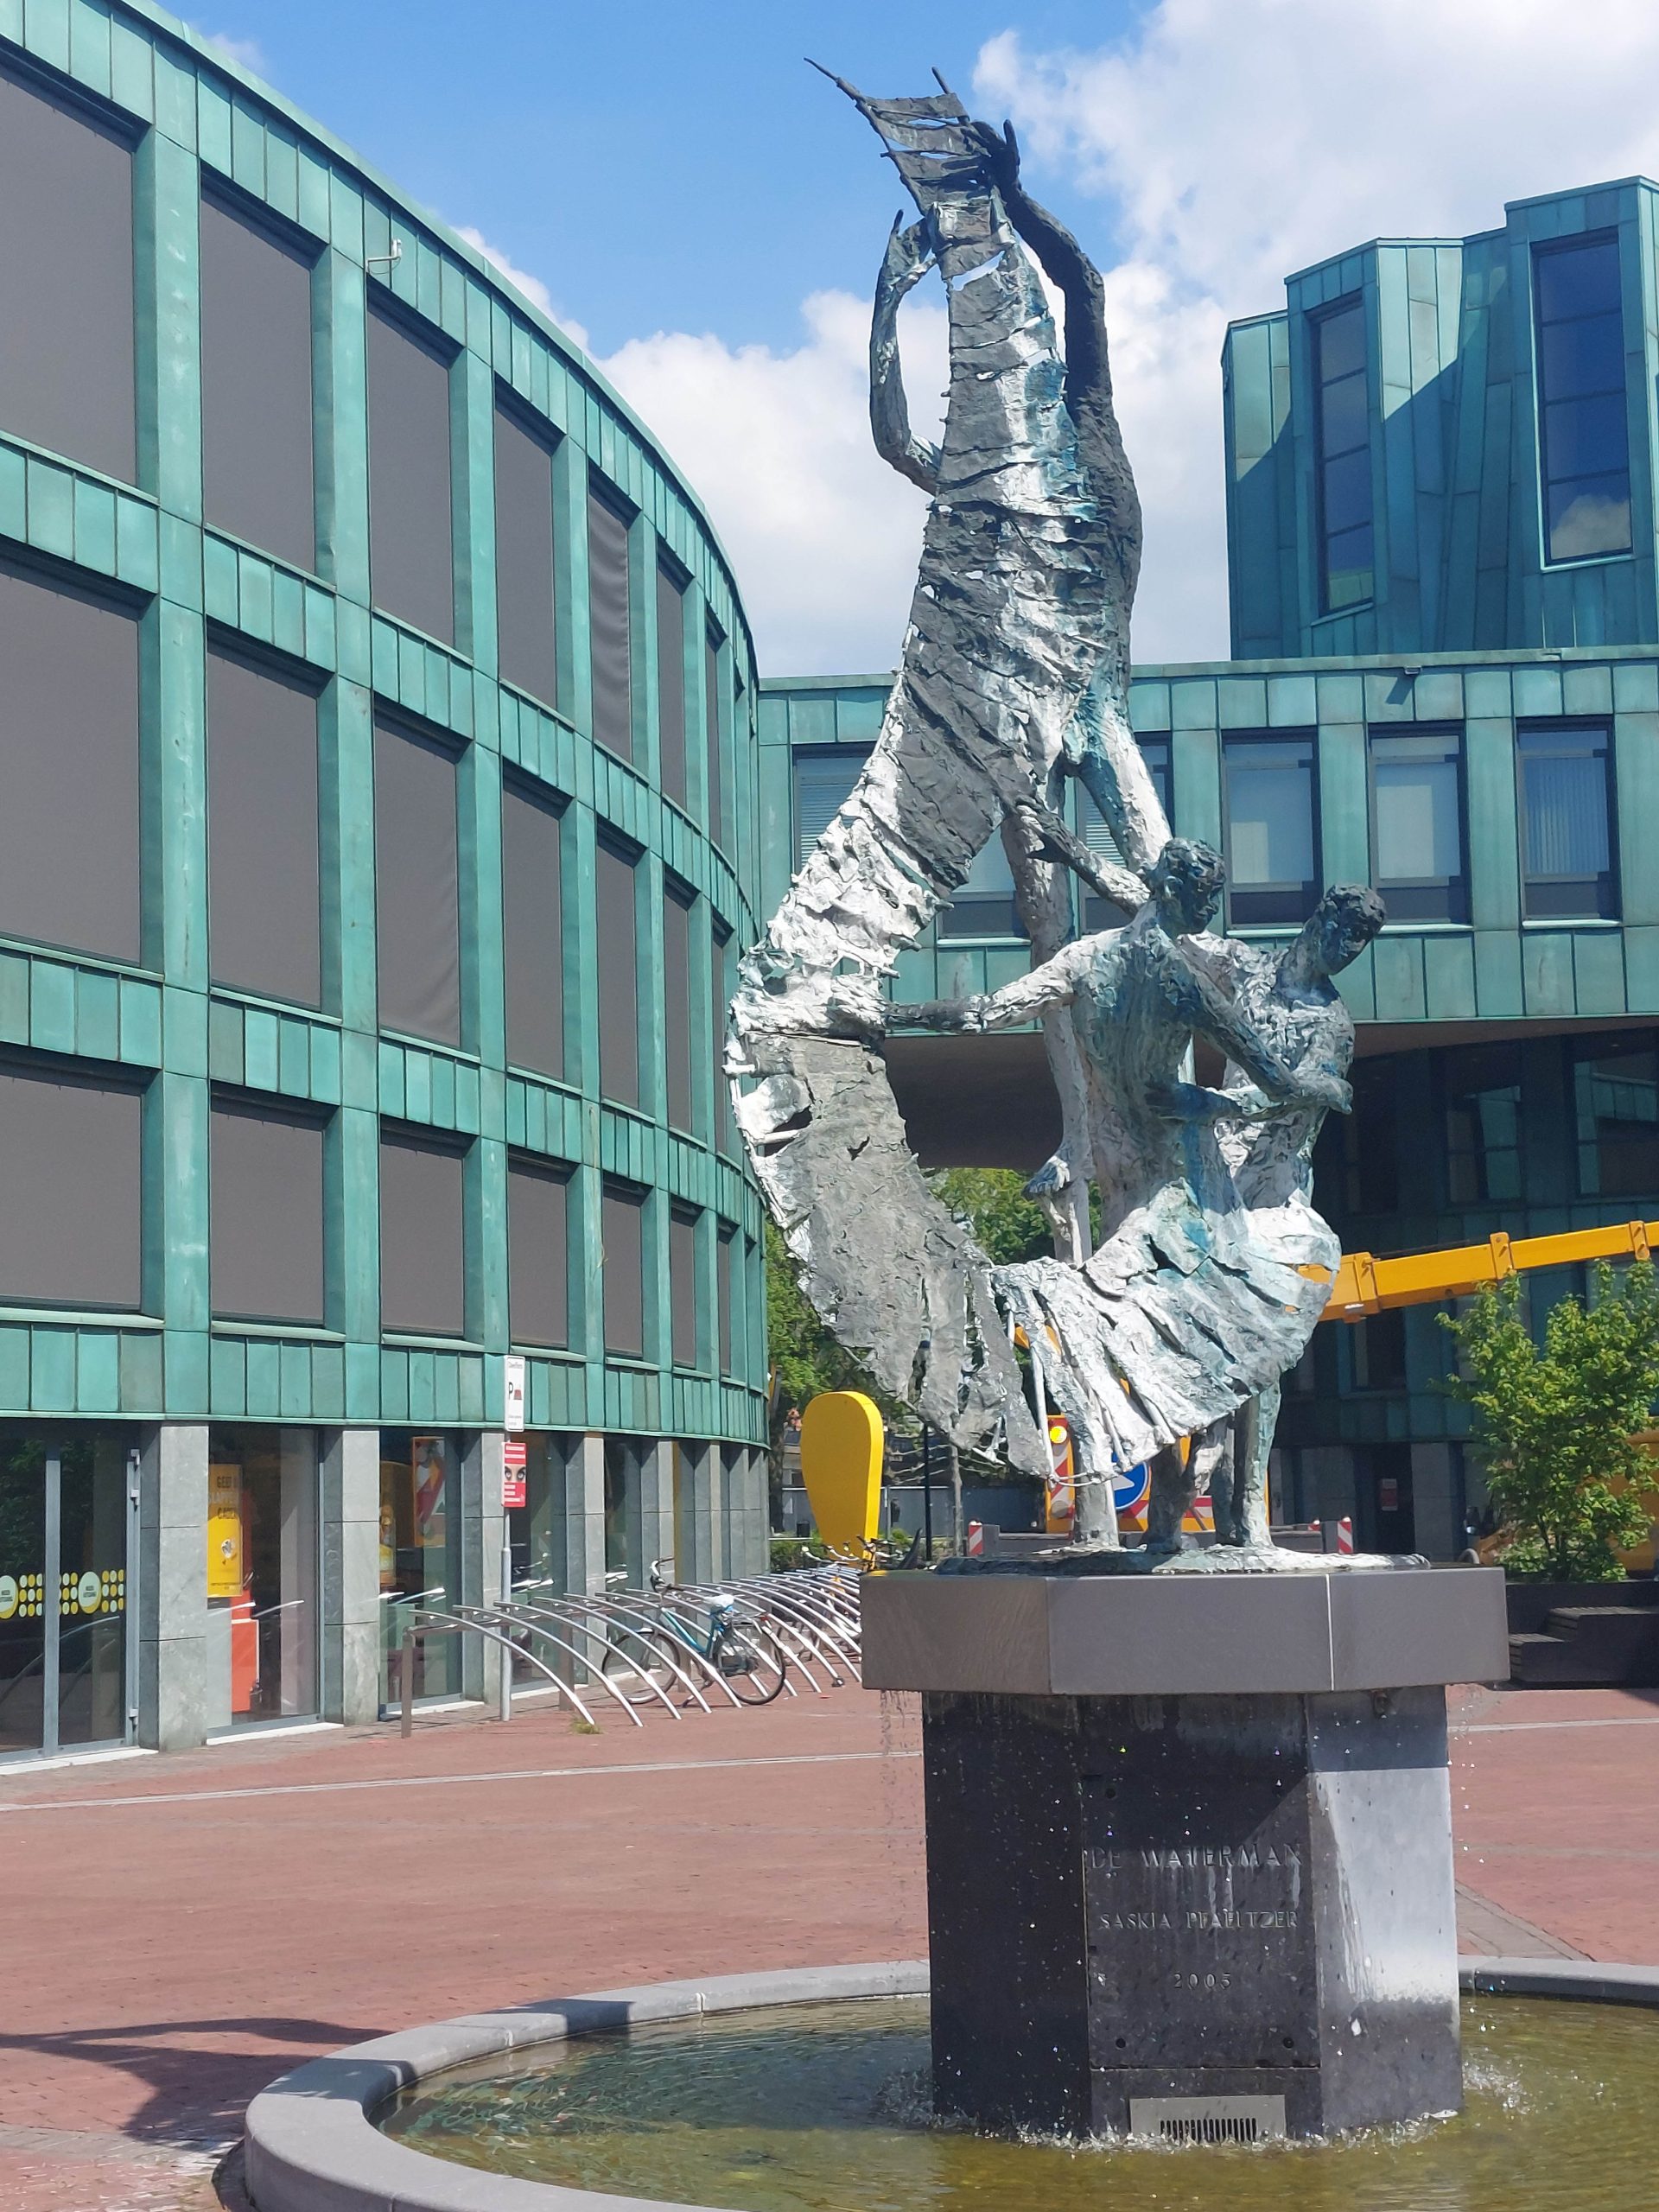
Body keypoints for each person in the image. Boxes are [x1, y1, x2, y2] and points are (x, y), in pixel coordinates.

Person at [882, 838, 1347, 1544]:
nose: (1211, 910)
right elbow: (1279, 1082)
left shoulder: (1086, 958)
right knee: (1177, 1345)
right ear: (1178, 894)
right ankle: (1178, 1509)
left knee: (1168, 1347)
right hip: (1180, 1184)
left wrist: (886, 1016)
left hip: (1142, 1185)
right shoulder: (1182, 982)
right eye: (1206, 898)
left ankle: (1179, 1510)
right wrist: (1309, 1090)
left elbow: (983, 1012)